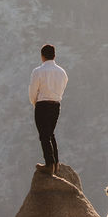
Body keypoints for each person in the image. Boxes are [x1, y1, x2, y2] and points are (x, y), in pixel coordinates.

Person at [29, 44, 68, 176]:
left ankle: (49, 164)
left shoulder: (38, 71)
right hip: (56, 105)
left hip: (42, 105)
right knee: (51, 133)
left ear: (42, 56)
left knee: (44, 135)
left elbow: (32, 91)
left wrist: (35, 103)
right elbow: (62, 88)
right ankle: (56, 163)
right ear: (54, 55)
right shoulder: (62, 72)